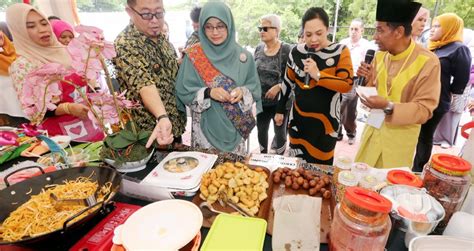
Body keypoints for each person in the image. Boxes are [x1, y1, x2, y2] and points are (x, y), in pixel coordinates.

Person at [355, 0, 441, 169]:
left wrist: (388, 106)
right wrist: (366, 82)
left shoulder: (428, 62)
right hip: (372, 134)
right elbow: (374, 95)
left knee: (387, 191)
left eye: (380, 30)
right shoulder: (379, 56)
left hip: (397, 146)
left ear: (399, 31)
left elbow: (424, 110)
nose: (374, 37)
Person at [7, 3, 103, 141]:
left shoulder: (68, 51)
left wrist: (97, 96)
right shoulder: (23, 65)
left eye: (43, 23)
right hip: (60, 137)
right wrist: (67, 108)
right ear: (18, 30)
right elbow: (33, 110)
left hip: (91, 125)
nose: (42, 30)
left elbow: (90, 80)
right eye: (31, 26)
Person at [175, 2, 262, 154]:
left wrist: (243, 91)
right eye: (208, 27)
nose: (215, 32)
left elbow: (254, 89)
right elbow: (183, 91)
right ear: (201, 28)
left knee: (234, 175)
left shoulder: (245, 57)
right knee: (205, 174)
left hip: (235, 129)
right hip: (205, 132)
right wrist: (208, 92)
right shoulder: (193, 56)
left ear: (229, 25)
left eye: (220, 26)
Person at [275, 7, 353, 165]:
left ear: (328, 30)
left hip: (326, 126)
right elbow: (287, 83)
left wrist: (318, 75)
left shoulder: (340, 51)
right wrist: (279, 110)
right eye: (308, 34)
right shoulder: (296, 51)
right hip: (298, 121)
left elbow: (346, 85)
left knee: (319, 172)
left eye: (319, 33)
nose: (313, 39)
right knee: (296, 170)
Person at [114, 0, 186, 146]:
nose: (155, 20)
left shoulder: (162, 40)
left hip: (173, 126)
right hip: (150, 133)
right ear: (130, 12)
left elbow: (169, 74)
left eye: (159, 13)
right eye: (146, 14)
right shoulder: (126, 43)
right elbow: (144, 84)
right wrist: (162, 116)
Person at [430, 14, 472, 150]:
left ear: (450, 28)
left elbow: (462, 77)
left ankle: (417, 169)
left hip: (438, 99)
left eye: (437, 26)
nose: (432, 29)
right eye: (432, 26)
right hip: (421, 96)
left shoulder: (459, 49)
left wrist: (451, 92)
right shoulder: (435, 46)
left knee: (425, 137)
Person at [254, 14, 292, 154]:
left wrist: (280, 86)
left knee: (280, 134)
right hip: (261, 103)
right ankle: (263, 160)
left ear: (276, 30)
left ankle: (279, 164)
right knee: (261, 131)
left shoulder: (286, 49)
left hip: (280, 103)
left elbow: (293, 77)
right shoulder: (258, 48)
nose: (261, 31)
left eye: (265, 28)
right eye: (260, 28)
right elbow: (252, 73)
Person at [338, 18, 372, 145]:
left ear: (362, 30)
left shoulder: (367, 46)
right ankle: (338, 132)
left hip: (356, 80)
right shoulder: (343, 43)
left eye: (356, 29)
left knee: (349, 110)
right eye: (351, 28)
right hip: (341, 78)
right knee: (339, 106)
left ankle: (351, 133)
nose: (353, 31)